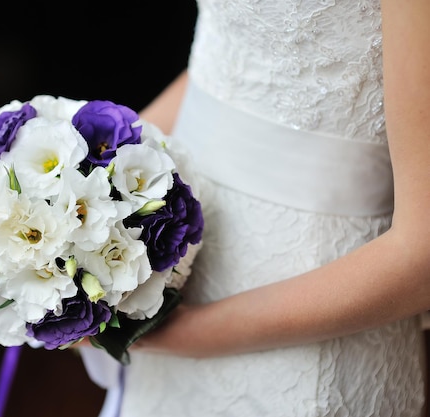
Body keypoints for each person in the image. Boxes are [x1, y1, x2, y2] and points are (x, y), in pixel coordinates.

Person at [77, 1, 430, 416]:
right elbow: (234, 59)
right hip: (176, 264)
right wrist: (84, 186)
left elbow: (420, 255)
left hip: (310, 316)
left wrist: (172, 334)